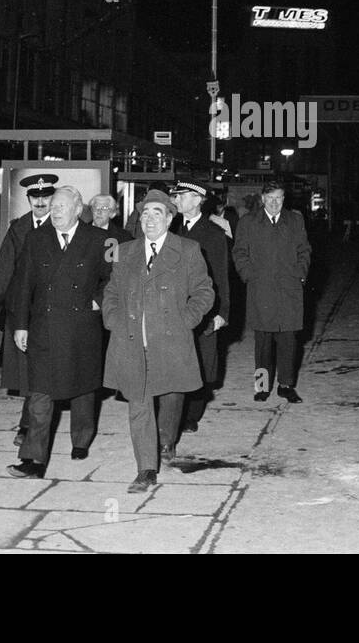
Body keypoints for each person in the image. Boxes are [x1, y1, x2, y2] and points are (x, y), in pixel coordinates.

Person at [103, 189, 214, 493]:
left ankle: (167, 441)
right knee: (139, 404)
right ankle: (146, 469)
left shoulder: (188, 249)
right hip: (131, 342)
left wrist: (187, 320)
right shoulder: (125, 251)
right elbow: (111, 292)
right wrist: (113, 318)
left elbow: (205, 291)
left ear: (169, 217)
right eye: (145, 214)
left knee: (170, 395)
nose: (149, 219)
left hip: (170, 340)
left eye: (157, 213)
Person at [5, 186, 111, 478]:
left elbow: (114, 279)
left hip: (82, 328)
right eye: (53, 206)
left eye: (62, 206)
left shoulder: (99, 239)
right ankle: (33, 460)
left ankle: (81, 439)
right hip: (44, 328)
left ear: (78, 210)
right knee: (40, 393)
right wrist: (21, 325)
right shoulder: (36, 238)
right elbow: (22, 284)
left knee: (83, 390)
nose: (56, 211)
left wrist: (97, 301)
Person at [0, 173, 58, 447]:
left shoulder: (64, 225)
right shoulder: (18, 228)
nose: (40, 202)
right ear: (28, 199)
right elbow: (3, 270)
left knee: (44, 368)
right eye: (35, 198)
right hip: (21, 309)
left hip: (51, 309)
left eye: (45, 197)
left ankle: (32, 423)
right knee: (28, 369)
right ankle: (28, 424)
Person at [233, 179, 311, 404]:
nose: (275, 202)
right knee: (263, 344)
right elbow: (239, 252)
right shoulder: (248, 222)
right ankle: (262, 387)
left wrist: (300, 274)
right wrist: (249, 275)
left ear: (284, 198)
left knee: (288, 341)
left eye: (279, 198)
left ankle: (286, 386)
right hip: (262, 290)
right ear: (263, 199)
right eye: (270, 198)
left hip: (289, 290)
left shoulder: (295, 220)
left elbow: (304, 250)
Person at [170, 181, 231, 436]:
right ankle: (176, 411)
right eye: (176, 196)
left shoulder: (213, 234)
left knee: (202, 362)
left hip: (203, 309)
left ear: (197, 200)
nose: (176, 200)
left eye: (181, 196)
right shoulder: (172, 229)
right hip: (174, 308)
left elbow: (221, 277)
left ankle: (192, 414)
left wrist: (222, 313)